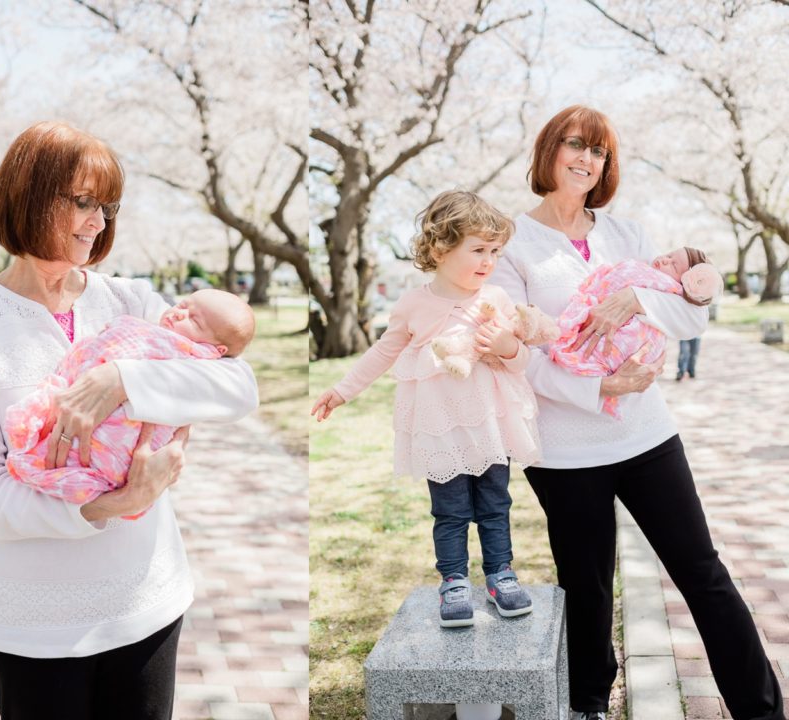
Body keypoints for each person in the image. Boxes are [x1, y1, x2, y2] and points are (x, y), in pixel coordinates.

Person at [0, 121, 258, 720]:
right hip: (29, 623)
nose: (98, 222)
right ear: (28, 196)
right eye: (81, 202)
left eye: (107, 207)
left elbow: (238, 385)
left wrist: (122, 381)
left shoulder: (131, 302)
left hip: (146, 601)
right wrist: (110, 504)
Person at [488, 105, 783, 720]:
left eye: (599, 152)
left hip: (649, 438)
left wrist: (638, 295)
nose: (587, 160)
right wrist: (601, 389)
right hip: (566, 450)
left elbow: (690, 314)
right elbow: (519, 356)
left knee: (703, 573)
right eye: (575, 145)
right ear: (549, 151)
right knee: (587, 588)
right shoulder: (513, 245)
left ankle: (760, 709)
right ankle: (590, 702)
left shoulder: (628, 236)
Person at [311, 190, 540, 629]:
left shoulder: (496, 298)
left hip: (489, 427)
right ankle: (454, 579)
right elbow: (383, 352)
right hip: (441, 430)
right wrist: (342, 390)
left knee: (495, 503)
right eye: (478, 250)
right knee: (451, 510)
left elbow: (522, 361)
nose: (488, 260)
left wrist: (507, 346)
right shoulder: (414, 305)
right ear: (440, 248)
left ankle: (500, 574)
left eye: (495, 251)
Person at [4, 289, 256, 513]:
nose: (180, 314)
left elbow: (243, 390)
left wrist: (122, 378)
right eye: (182, 305)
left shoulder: (132, 298)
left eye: (195, 320)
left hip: (143, 545)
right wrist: (124, 502)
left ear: (216, 349)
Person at [549, 246, 722, 417]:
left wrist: (635, 298)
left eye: (673, 265)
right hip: (562, 410)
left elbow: (698, 318)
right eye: (669, 255)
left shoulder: (635, 238)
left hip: (650, 424)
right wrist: (602, 387)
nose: (663, 259)